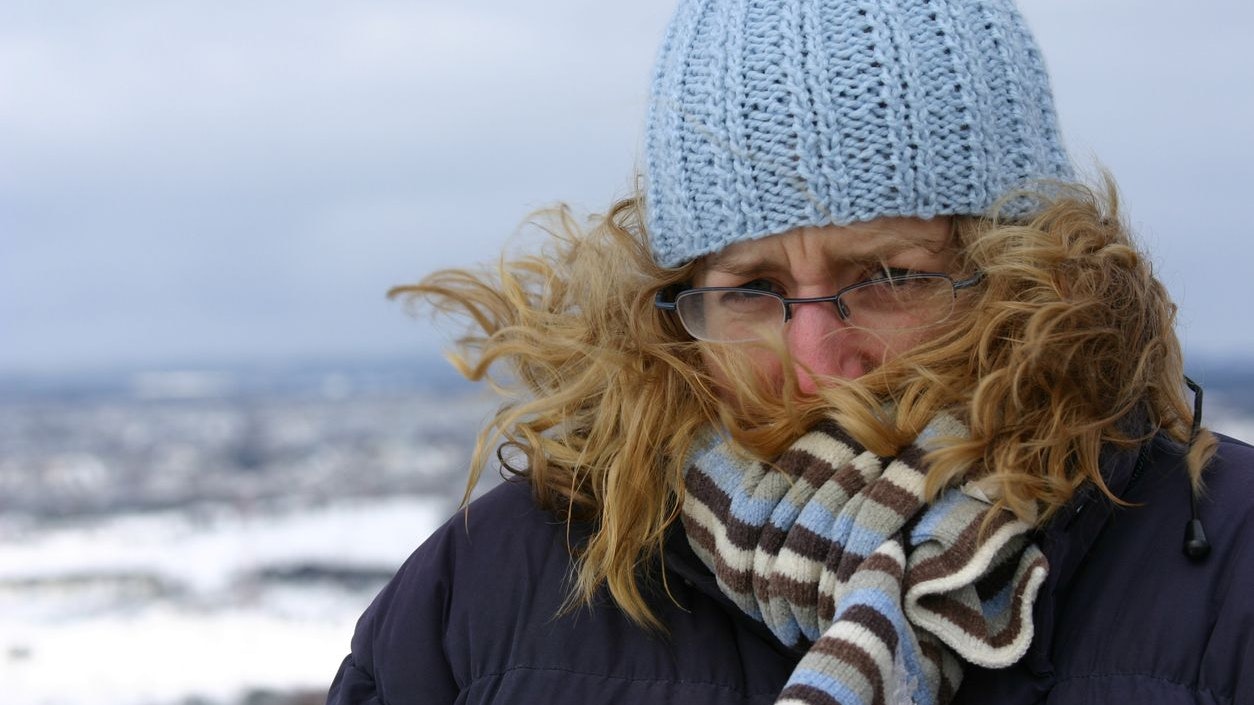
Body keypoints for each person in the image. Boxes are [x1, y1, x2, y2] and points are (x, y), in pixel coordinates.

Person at [327, 0, 1254, 703]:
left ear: (1031, 276)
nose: (816, 360)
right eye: (752, 290)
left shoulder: (1226, 574)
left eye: (890, 274)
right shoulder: (488, 597)